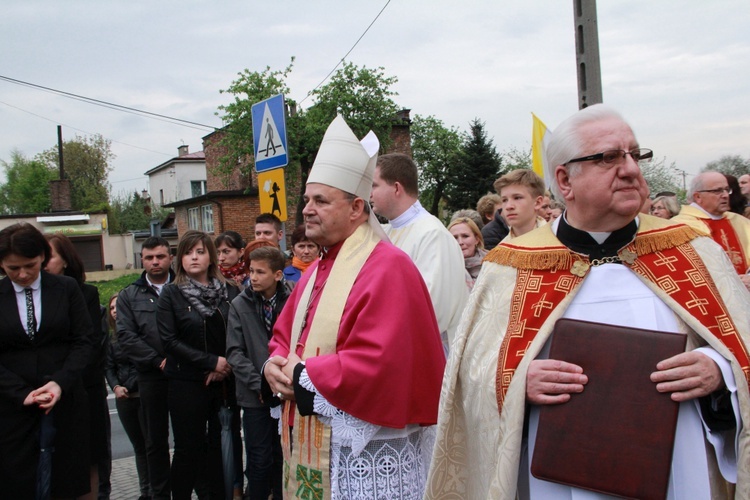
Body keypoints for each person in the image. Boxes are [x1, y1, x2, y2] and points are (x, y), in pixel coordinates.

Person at [426, 104, 750, 499]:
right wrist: (515, 381)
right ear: (565, 180)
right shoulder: (511, 266)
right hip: (556, 474)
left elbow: (741, 346)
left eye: (635, 154)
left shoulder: (692, 250)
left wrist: (719, 372)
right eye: (608, 158)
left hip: (679, 470)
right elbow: (467, 378)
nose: (631, 169)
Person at [264, 115, 445, 499]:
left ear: (356, 208)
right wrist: (273, 367)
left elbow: (383, 361)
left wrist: (303, 374)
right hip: (313, 443)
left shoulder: (388, 267)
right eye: (307, 200)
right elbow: (285, 335)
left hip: (363, 447)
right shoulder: (316, 270)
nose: (308, 209)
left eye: (321, 201)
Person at [0, 223, 94, 498]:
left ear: (42, 256)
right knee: (17, 484)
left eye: (30, 265)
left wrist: (58, 383)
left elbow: (83, 340)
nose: (23, 274)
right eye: (12, 268)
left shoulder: (66, 289)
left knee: (65, 483)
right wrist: (21, 394)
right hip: (11, 409)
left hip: (64, 402)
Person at [157, 231, 241, 500]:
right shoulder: (171, 294)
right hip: (186, 381)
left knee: (219, 447)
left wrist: (223, 366)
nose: (194, 257)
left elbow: (237, 333)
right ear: (179, 258)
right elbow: (169, 341)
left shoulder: (229, 291)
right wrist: (210, 362)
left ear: (211, 257)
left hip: (224, 381)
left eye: (200, 251)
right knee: (187, 449)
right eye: (188, 252)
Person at [371, 152, 468, 353]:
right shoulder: (386, 231)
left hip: (427, 353)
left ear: (397, 188)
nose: (369, 193)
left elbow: (432, 308)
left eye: (374, 186)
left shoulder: (432, 234)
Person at [46, 232, 109, 500]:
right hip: (47, 388)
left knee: (89, 458)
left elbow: (90, 343)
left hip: (83, 387)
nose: (41, 263)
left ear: (67, 260)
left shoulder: (86, 294)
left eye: (49, 256)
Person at [226, 246, 290, 500]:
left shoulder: (292, 299)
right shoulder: (239, 304)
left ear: (277, 275)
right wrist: (261, 384)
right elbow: (234, 352)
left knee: (282, 457)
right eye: (251, 270)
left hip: (286, 393)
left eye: (260, 272)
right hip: (255, 396)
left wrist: (282, 382)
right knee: (259, 460)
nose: (252, 277)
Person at [117, 237, 174, 500]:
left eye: (160, 256)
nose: (155, 262)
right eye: (149, 257)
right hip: (151, 376)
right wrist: (157, 360)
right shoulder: (130, 294)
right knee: (155, 441)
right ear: (142, 259)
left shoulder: (183, 287)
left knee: (192, 438)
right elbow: (126, 336)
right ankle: (159, 494)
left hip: (186, 374)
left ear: (170, 257)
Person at [104, 293, 150, 500]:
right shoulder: (111, 338)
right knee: (139, 447)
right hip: (124, 398)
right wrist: (115, 386)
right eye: (112, 308)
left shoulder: (139, 333)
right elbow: (109, 366)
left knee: (151, 445)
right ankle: (144, 491)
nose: (115, 311)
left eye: (118, 307)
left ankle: (156, 489)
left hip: (143, 394)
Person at [672, 171, 750, 286]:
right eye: (717, 191)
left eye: (727, 190)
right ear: (698, 196)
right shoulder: (679, 227)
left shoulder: (741, 222)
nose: (725, 195)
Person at [494, 169, 547, 240]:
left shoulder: (559, 244)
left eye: (517, 198)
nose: (508, 206)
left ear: (538, 202)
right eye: (504, 200)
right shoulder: (500, 250)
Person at [448, 216, 487, 290]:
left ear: (477, 239)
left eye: (465, 236)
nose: (460, 242)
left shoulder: (492, 264)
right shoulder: (444, 268)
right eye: (454, 238)